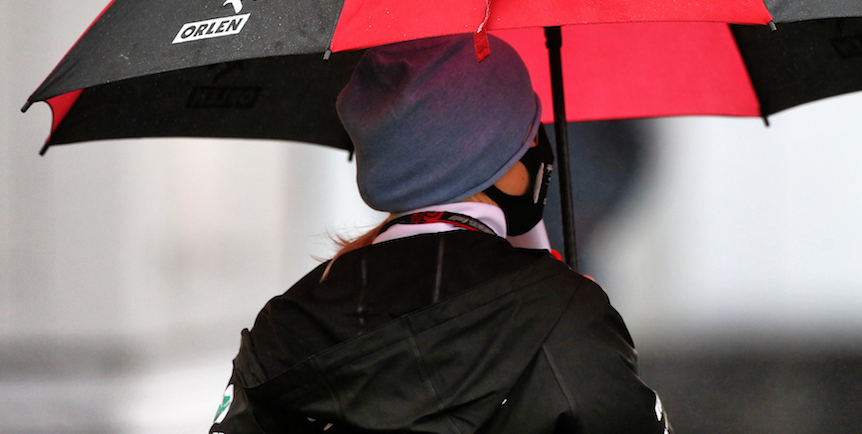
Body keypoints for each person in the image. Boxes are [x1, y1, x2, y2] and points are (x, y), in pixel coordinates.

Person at [210, 33, 671, 433]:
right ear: (507, 161)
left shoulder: (285, 322)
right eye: (531, 135)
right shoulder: (563, 314)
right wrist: (581, 319)